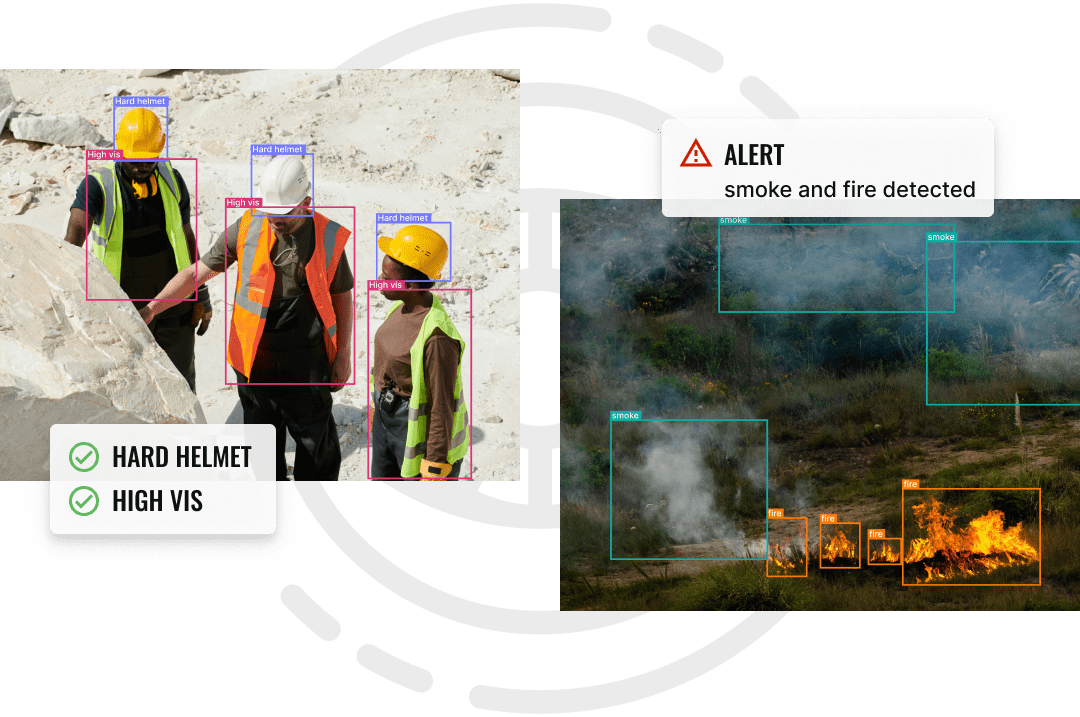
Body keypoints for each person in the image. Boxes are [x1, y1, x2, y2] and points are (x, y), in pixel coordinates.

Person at [138, 156, 353, 481]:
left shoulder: (327, 235)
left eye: (283, 214)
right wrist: (153, 308)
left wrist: (344, 356)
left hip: (307, 359)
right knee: (262, 449)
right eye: (269, 211)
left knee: (316, 449)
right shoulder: (248, 226)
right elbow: (196, 274)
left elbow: (341, 296)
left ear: (306, 203)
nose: (274, 221)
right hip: (254, 359)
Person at [64, 107, 210, 392]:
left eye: (149, 159)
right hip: (122, 309)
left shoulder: (172, 180)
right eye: (134, 160)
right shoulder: (98, 185)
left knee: (181, 384)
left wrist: (200, 293)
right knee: (131, 389)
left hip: (173, 305)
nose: (143, 166)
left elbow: (186, 235)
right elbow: (75, 235)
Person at [370, 226, 470, 480]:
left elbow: (441, 406)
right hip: (386, 423)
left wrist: (434, 468)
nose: (379, 279)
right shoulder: (403, 308)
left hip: (413, 433)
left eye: (387, 275)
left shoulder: (437, 337)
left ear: (411, 284)